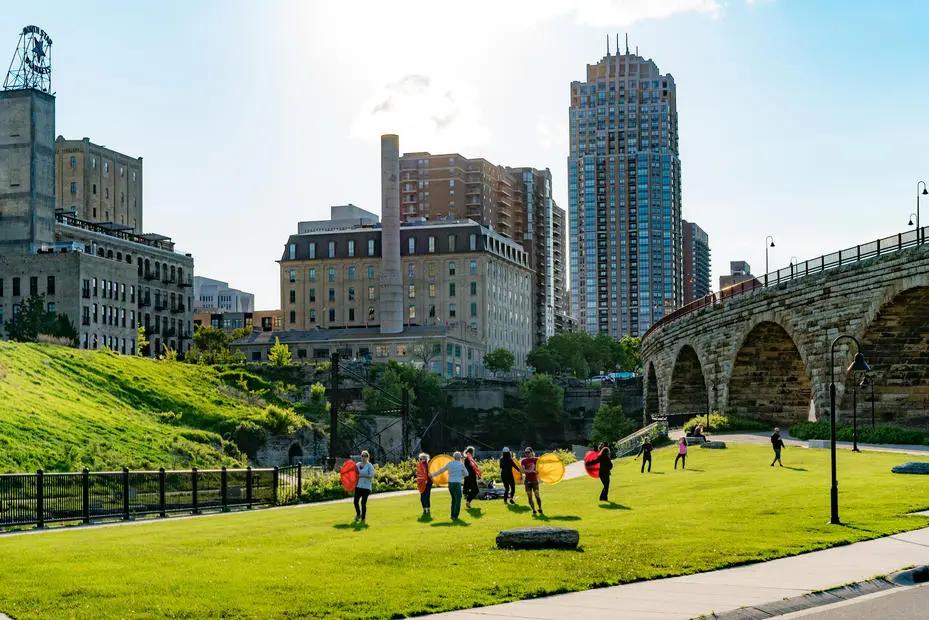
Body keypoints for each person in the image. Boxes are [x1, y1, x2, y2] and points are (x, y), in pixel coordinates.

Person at [430, 451, 469, 520]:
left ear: (454, 457)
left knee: (453, 499)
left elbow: (441, 470)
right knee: (458, 500)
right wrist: (460, 474)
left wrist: (433, 475)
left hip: (450, 484)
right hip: (457, 483)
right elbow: (467, 474)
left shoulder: (450, 463)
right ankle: (455, 516)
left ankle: (452, 515)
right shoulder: (461, 464)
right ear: (460, 457)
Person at [520, 447, 543, 516]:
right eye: (525, 452)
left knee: (537, 495)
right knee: (529, 496)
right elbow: (522, 470)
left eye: (528, 452)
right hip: (527, 481)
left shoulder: (536, 460)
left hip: (534, 480)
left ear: (531, 452)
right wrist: (530, 471)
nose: (527, 454)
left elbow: (540, 469)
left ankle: (540, 508)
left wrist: (537, 471)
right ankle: (533, 510)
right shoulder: (523, 461)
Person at [353, 450, 375, 523]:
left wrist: (362, 475)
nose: (363, 457)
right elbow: (353, 472)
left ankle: (363, 519)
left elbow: (371, 476)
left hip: (366, 488)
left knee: (363, 503)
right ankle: (358, 514)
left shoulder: (369, 465)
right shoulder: (358, 464)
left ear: (368, 457)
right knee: (355, 501)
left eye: (365, 456)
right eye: (362, 456)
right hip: (358, 486)